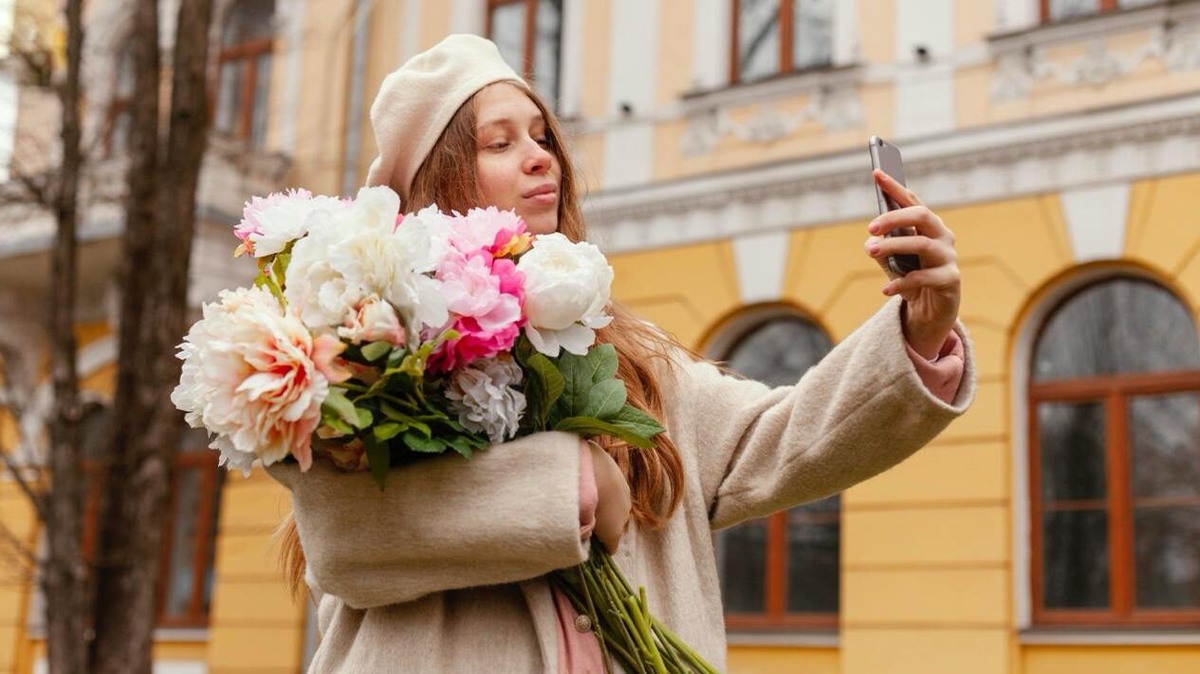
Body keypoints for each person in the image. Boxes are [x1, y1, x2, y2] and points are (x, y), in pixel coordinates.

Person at [267, 34, 974, 673]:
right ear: (437, 180)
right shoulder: (365, 353)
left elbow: (779, 440)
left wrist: (919, 329)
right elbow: (346, 545)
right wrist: (574, 484)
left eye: (542, 135)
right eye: (500, 142)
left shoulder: (631, 360)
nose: (542, 155)